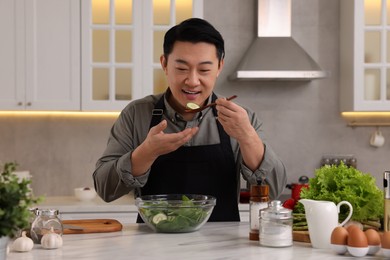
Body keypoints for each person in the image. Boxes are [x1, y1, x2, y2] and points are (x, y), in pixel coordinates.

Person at [93, 18, 286, 222]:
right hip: (152, 247)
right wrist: (145, 153)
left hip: (224, 250)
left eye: (204, 70)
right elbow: (105, 189)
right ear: (164, 64)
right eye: (182, 68)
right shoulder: (136, 114)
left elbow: (273, 191)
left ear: (219, 67)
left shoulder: (241, 119)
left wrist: (247, 137)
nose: (192, 81)